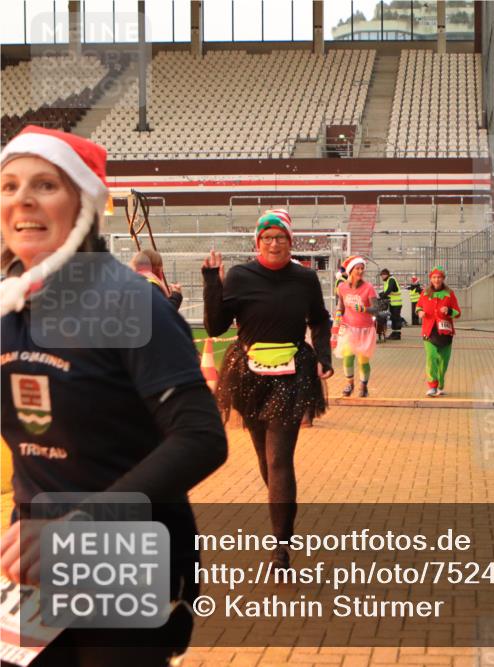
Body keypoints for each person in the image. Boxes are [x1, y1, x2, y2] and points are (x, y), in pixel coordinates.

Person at [1, 126, 227, 665]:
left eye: (45, 185)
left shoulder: (129, 303)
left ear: (84, 202)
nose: (22, 199)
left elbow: (200, 437)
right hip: (31, 558)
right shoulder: (8, 304)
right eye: (8, 185)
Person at [202, 209, 332, 568]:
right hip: (249, 375)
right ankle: (281, 515)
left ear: (291, 242)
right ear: (258, 242)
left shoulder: (305, 278)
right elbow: (215, 324)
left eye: (281, 237)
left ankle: (281, 545)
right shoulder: (241, 276)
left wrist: (323, 355)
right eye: (267, 238)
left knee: (279, 458)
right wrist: (212, 281)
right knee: (264, 458)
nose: (274, 243)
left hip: (292, 375)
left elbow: (320, 319)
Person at [335, 255, 379, 398]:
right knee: (347, 357)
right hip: (348, 327)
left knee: (362, 360)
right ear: (350, 270)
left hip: (365, 329)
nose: (360, 271)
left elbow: (376, 308)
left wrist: (364, 309)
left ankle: (363, 386)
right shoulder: (342, 287)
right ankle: (350, 384)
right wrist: (337, 314)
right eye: (357, 269)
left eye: (362, 268)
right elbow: (341, 305)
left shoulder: (369, 288)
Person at [416, 266, 461, 397]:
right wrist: (420, 312)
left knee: (443, 362)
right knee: (431, 357)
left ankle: (440, 384)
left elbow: (458, 312)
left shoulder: (449, 294)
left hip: (445, 333)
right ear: (431, 279)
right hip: (429, 331)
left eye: (439, 277)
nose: (437, 279)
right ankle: (432, 386)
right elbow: (418, 306)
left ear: (443, 278)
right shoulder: (424, 293)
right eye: (434, 277)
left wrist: (449, 311)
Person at [379, 267, 403, 340]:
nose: (382, 277)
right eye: (381, 275)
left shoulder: (391, 279)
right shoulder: (387, 281)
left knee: (396, 318)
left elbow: (389, 290)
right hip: (393, 303)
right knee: (393, 318)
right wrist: (380, 294)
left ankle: (397, 334)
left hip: (397, 303)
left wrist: (382, 297)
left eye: (383, 275)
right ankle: (394, 333)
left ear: (387, 274)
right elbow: (387, 291)